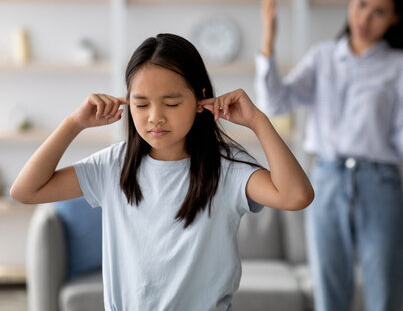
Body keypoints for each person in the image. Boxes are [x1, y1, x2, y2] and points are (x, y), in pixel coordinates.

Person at [10, 33, 314, 310]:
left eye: (171, 103)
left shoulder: (227, 167)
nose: (155, 118)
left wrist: (257, 120)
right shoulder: (113, 165)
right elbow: (25, 191)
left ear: (199, 99)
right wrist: (74, 123)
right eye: (141, 105)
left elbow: (296, 196)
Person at [256, 0, 403, 311]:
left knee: (384, 290)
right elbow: (274, 102)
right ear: (350, 2)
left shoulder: (402, 65)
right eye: (360, 4)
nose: (365, 18)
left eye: (379, 12)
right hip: (326, 180)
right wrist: (268, 44)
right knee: (330, 293)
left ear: (395, 18)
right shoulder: (323, 57)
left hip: (381, 183)